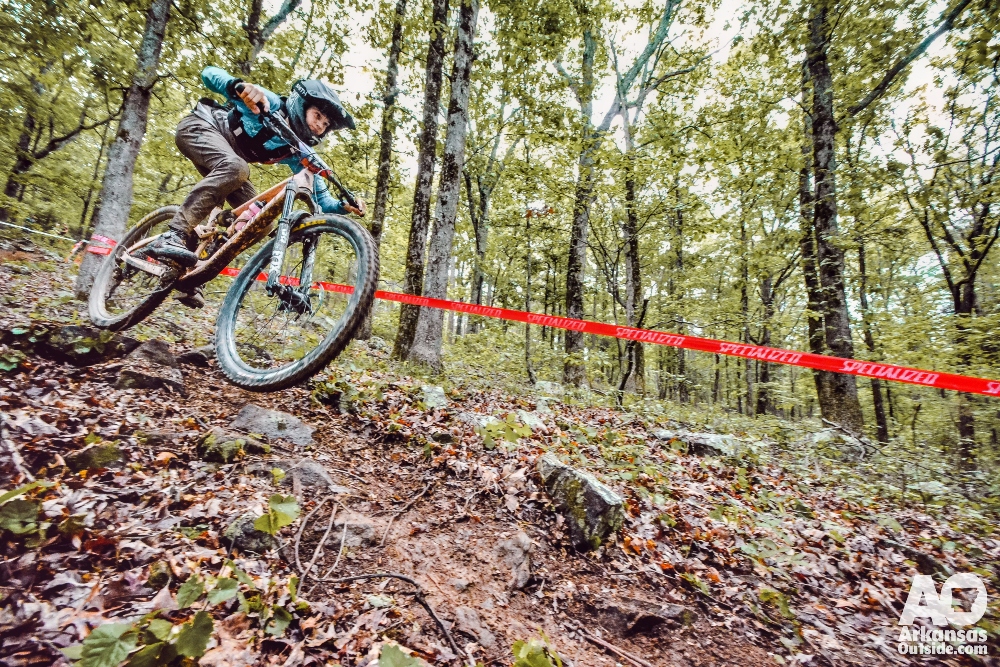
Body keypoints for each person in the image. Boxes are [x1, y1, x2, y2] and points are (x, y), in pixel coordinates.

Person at [147, 66, 366, 308]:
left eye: (325, 124)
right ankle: (174, 235)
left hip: (227, 163)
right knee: (237, 168)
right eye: (317, 116)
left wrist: (343, 206)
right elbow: (208, 74)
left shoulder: (298, 151)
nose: (320, 126)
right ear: (302, 105)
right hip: (200, 127)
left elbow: (323, 201)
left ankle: (196, 269)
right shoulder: (269, 103)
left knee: (262, 222)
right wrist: (238, 87)